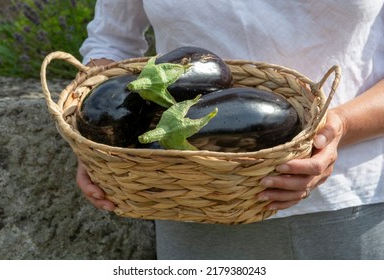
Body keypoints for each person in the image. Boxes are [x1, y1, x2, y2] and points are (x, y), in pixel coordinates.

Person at [76, 0, 384, 259]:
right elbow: (111, 42)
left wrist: (340, 125)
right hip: (190, 196)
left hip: (347, 207)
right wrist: (96, 136)